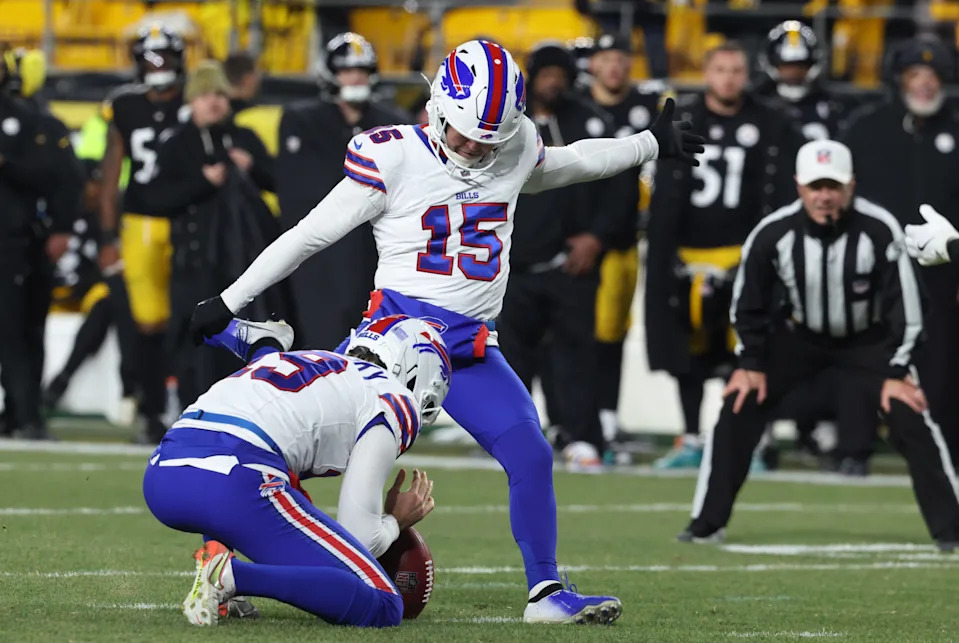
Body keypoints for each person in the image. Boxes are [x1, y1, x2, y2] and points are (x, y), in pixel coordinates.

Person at [191, 38, 704, 624]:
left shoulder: (512, 146)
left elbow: (570, 163)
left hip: (468, 347)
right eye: (464, 134)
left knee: (531, 455)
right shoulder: (393, 156)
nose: (474, 148)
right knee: (302, 452)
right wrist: (230, 300)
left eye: (489, 138)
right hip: (393, 346)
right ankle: (222, 561)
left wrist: (648, 144)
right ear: (438, 106)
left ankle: (546, 592)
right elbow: (310, 234)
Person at [679, 140, 959, 550]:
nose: (824, 196)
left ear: (851, 186)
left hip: (869, 341)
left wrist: (897, 373)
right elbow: (748, 303)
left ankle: (951, 531)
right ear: (799, 186)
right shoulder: (773, 233)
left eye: (833, 186)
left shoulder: (880, 229)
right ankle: (705, 523)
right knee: (739, 402)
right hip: (800, 336)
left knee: (911, 412)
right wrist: (751, 362)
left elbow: (909, 308)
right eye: (815, 186)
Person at [144, 315, 447, 627]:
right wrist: (396, 521)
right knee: (384, 604)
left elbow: (263, 370)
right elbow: (360, 534)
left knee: (281, 483)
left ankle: (221, 567)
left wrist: (265, 342)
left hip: (162, 475)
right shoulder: (394, 398)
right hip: (233, 482)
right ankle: (229, 576)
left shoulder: (310, 361)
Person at [646, 41, 804, 469]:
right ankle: (692, 436)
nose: (729, 78)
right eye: (720, 69)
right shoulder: (683, 118)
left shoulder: (771, 122)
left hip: (745, 253)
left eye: (736, 69)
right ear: (706, 72)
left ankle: (751, 439)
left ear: (747, 74)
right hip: (689, 255)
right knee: (688, 352)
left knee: (748, 348)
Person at [497, 42, 621, 466]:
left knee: (576, 355)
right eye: (545, 73)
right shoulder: (506, 125)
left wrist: (597, 237)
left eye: (560, 74)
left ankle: (582, 434)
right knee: (510, 360)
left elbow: (620, 187)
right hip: (512, 265)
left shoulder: (591, 121)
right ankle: (512, 436)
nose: (553, 81)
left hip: (569, 264)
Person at [841, 36, 959, 461]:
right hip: (877, 268)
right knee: (863, 356)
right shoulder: (865, 128)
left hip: (943, 273)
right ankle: (853, 448)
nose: (924, 84)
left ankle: (942, 452)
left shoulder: (957, 129)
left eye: (932, 76)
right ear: (899, 79)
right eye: (915, 75)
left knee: (944, 363)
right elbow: (843, 198)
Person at [151, 60, 279, 408]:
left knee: (241, 341)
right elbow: (155, 198)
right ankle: (192, 412)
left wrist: (252, 166)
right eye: (206, 94)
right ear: (192, 100)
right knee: (192, 342)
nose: (214, 102)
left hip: (242, 264)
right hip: (193, 261)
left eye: (220, 94)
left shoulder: (244, 138)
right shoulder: (176, 144)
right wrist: (201, 184)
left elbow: (280, 180)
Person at [275, 32, 410, 350]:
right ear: (331, 74)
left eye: (362, 70)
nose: (355, 77)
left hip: (379, 257)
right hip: (323, 261)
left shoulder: (394, 123)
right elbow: (299, 191)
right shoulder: (302, 121)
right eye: (347, 70)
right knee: (324, 354)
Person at [98, 23, 190, 443]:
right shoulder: (124, 106)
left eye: (165, 58)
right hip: (141, 224)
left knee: (191, 316)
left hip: (189, 220)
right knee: (148, 323)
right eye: (150, 59)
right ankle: (152, 411)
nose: (157, 67)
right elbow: (111, 172)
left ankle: (191, 407)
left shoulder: (193, 102)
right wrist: (105, 235)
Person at [585, 33, 664, 448]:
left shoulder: (647, 107)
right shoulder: (579, 108)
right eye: (605, 57)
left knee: (613, 332)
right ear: (593, 64)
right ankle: (577, 417)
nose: (613, 66)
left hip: (623, 239)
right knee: (575, 333)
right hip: (577, 239)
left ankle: (607, 417)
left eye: (620, 58)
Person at [0, 47, 81, 439]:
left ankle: (26, 414)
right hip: (19, 238)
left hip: (16, 241)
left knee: (18, 330)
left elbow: (59, 176)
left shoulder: (33, 123)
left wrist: (61, 227)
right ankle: (18, 412)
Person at [756, 20, 851, 141]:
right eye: (786, 65)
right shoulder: (758, 103)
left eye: (800, 65)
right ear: (773, 64)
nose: (793, 72)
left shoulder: (834, 106)